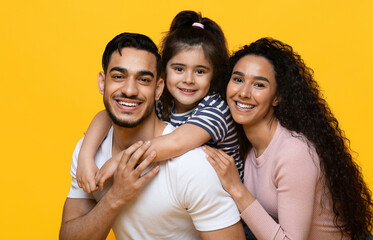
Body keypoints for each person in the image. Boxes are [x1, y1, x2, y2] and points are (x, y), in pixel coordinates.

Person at [59, 32, 245, 240]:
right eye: (119, 76)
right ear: (102, 83)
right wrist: (114, 197)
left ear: (158, 89)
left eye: (144, 80)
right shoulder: (90, 153)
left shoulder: (193, 163)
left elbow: (177, 141)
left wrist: (121, 159)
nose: (130, 90)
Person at [203, 38, 373, 239]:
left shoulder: (293, 151)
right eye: (238, 80)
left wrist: (237, 189)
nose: (244, 93)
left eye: (259, 84)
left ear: (277, 97)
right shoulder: (244, 145)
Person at [75, 10, 243, 194]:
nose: (188, 79)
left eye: (200, 72)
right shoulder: (164, 101)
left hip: (229, 207)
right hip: (186, 201)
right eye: (179, 69)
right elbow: (107, 114)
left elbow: (176, 142)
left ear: (214, 75)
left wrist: (118, 160)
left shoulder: (216, 109)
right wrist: (85, 156)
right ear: (163, 74)